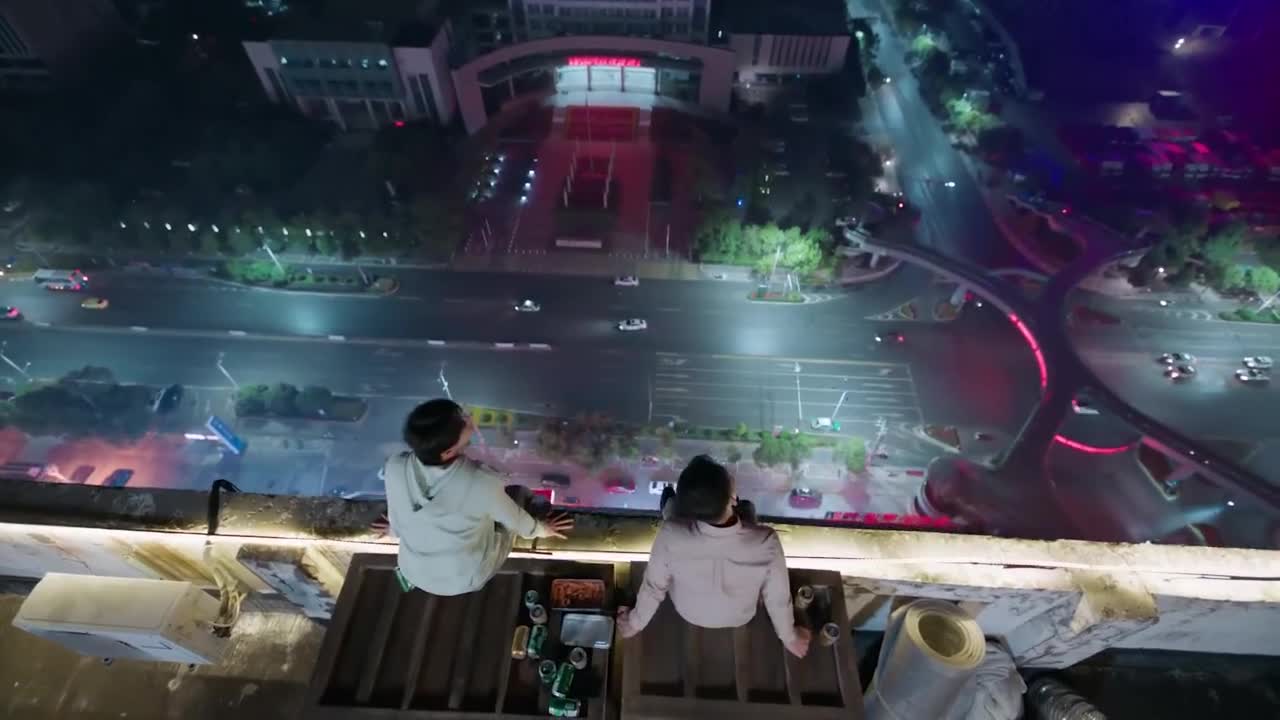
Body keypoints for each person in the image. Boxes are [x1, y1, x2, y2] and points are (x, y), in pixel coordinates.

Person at [617, 455, 811, 657]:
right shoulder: (766, 541)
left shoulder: (670, 535)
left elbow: (653, 587)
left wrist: (634, 624)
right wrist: (789, 637)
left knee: (670, 505)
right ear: (732, 497)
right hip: (740, 615)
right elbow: (778, 597)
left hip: (689, 612)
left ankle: (676, 505)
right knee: (747, 509)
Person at [382, 399, 574, 595]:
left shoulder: (395, 467)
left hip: (412, 570)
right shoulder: (480, 482)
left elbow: (397, 527)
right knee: (516, 493)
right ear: (448, 452)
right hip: (464, 578)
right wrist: (544, 529)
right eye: (464, 423)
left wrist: (391, 529)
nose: (470, 419)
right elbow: (519, 522)